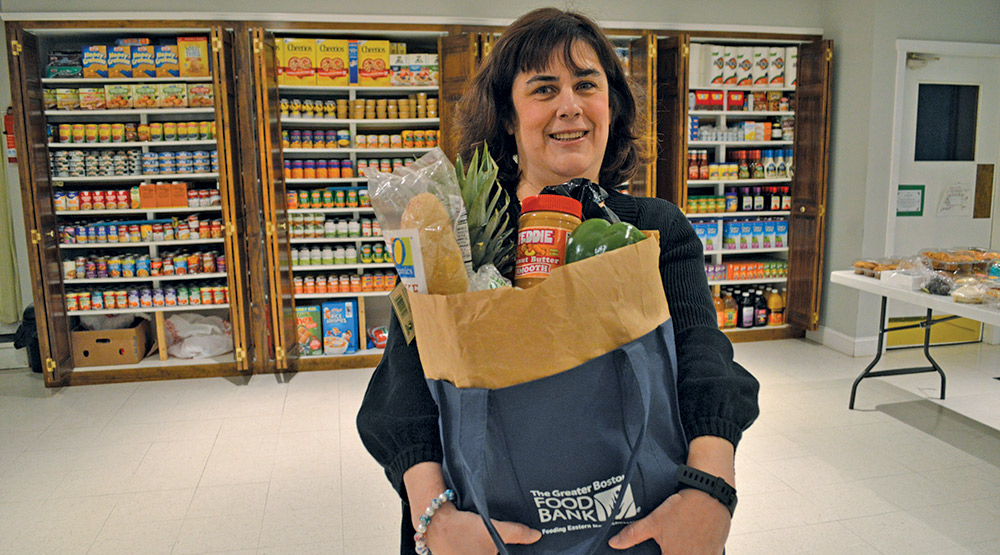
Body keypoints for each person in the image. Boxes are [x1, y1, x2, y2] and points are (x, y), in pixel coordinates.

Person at [357, 8, 760, 554]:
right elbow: (403, 392)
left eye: (586, 84)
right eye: (544, 88)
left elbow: (702, 356)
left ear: (610, 106)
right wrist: (436, 518)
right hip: (486, 533)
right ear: (507, 116)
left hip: (634, 527)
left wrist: (712, 493)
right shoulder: (460, 238)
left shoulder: (652, 227)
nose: (569, 105)